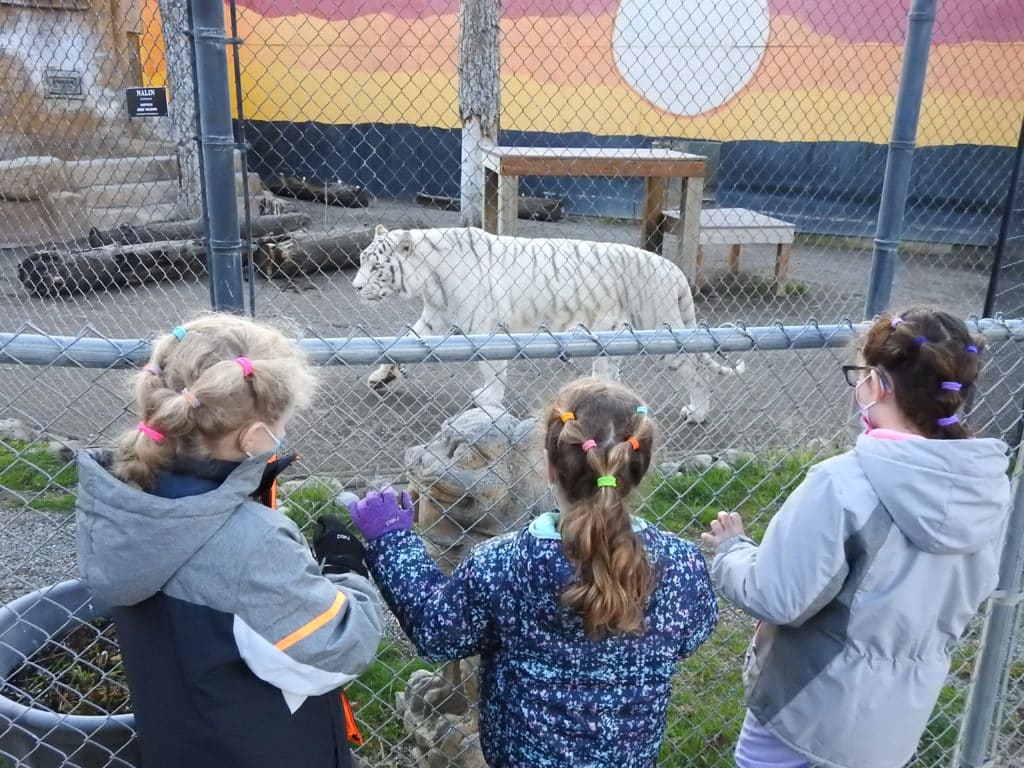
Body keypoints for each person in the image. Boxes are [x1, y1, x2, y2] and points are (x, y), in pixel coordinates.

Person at [338, 377, 718, 767]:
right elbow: (693, 634)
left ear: (548, 466)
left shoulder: (502, 564)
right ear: (641, 465)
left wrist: (392, 542)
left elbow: (438, 632)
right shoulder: (683, 563)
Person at [701, 306, 1012, 768]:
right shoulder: (987, 486)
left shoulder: (842, 483)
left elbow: (779, 597)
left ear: (877, 384)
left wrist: (732, 551)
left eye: (860, 374)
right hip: (894, 723)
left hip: (804, 706)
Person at [76, 315, 383, 768]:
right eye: (284, 422)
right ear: (255, 439)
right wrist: (346, 570)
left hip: (183, 741)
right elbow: (340, 649)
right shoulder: (254, 544)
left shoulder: (125, 503)